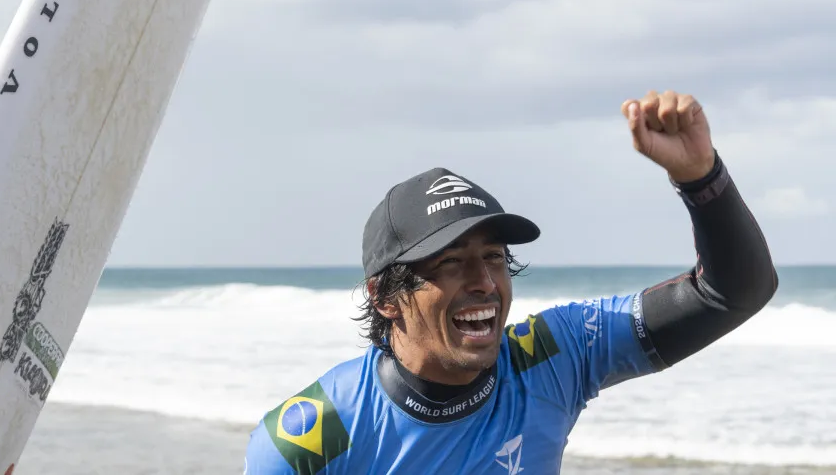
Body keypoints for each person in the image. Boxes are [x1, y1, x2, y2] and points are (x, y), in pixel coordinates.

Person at [242, 90, 778, 474]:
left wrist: (700, 177)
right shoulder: (311, 442)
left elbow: (733, 293)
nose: (484, 282)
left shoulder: (554, 356)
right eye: (451, 263)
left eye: (494, 258)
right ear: (385, 297)